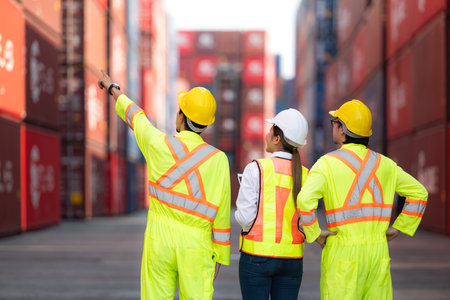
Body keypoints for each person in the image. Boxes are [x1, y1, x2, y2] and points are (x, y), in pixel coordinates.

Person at [98, 70, 231, 300]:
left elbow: (136, 117)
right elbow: (222, 214)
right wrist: (220, 255)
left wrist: (112, 88)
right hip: (196, 245)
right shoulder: (218, 159)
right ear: (206, 125)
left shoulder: (158, 145)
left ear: (181, 116)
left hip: (159, 239)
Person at [298, 99, 428, 300]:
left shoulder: (327, 164)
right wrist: (400, 227)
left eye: (335, 122)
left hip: (343, 254)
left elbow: (305, 200)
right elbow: (419, 193)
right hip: (378, 253)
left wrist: (315, 233)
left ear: (343, 129)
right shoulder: (386, 165)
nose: (333, 126)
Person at [235, 108, 309, 300]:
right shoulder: (306, 175)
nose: (267, 134)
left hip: (256, 257)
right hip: (292, 260)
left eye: (270, 130)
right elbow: (307, 220)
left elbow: (244, 217)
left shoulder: (256, 169)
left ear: (277, 139)